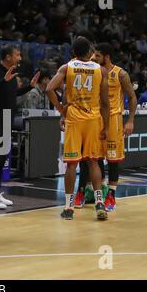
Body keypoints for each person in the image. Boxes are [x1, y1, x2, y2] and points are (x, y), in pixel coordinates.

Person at [46, 36, 110, 221]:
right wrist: (105, 125)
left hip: (74, 117)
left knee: (72, 164)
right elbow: (105, 102)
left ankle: (68, 207)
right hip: (93, 118)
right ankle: (99, 203)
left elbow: (50, 89)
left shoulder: (67, 68)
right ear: (90, 52)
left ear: (74, 52)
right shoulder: (101, 70)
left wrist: (61, 111)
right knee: (93, 162)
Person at [74, 43, 137, 211]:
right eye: (93, 55)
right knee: (90, 157)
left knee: (113, 160)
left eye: (98, 56)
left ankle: (111, 195)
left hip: (114, 119)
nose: (93, 58)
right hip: (95, 118)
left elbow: (131, 97)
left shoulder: (120, 74)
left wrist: (130, 120)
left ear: (107, 57)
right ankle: (84, 192)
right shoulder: (93, 71)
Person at [0, 44, 39, 209]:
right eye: (17, 55)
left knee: (1, 158)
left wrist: (30, 87)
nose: (20, 58)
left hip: (7, 119)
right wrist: (2, 80)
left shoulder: (12, 74)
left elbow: (13, 94)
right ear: (8, 57)